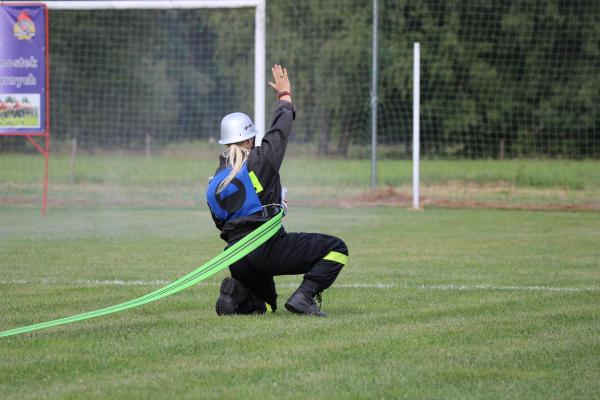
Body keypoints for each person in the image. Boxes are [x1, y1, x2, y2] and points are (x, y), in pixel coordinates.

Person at [205, 64, 348, 317]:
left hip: (236, 257)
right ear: (249, 138)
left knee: (267, 305)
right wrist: (285, 96)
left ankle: (238, 296)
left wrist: (273, 205)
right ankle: (304, 297)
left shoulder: (214, 183)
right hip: (266, 249)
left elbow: (226, 223)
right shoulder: (259, 161)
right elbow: (280, 132)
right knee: (337, 249)